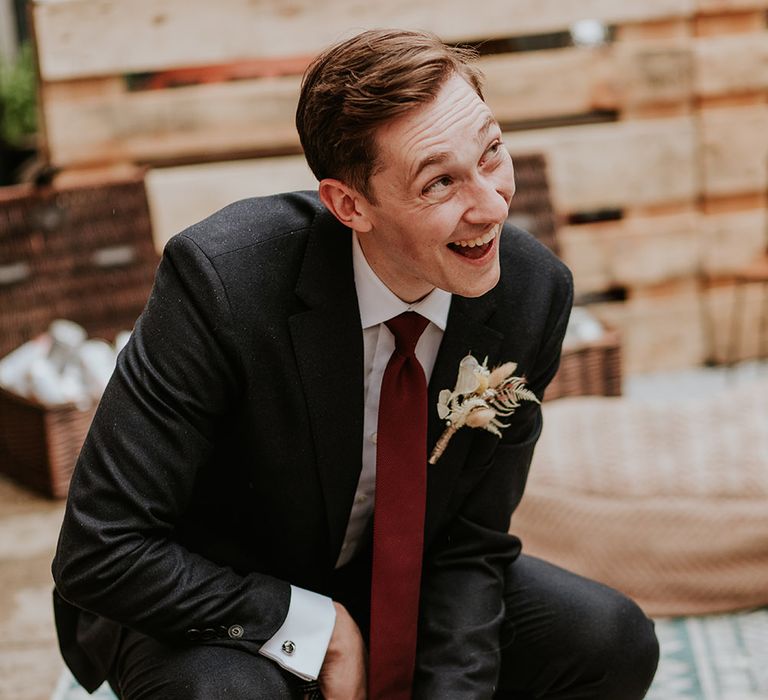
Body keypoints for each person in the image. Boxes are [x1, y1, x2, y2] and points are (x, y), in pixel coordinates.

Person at [52, 29, 659, 699]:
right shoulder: (222, 283)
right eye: (440, 183)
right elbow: (101, 548)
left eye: (491, 154)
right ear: (348, 205)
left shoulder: (532, 295)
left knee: (611, 639)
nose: (491, 204)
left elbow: (469, 543)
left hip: (396, 573)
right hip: (211, 586)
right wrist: (315, 628)